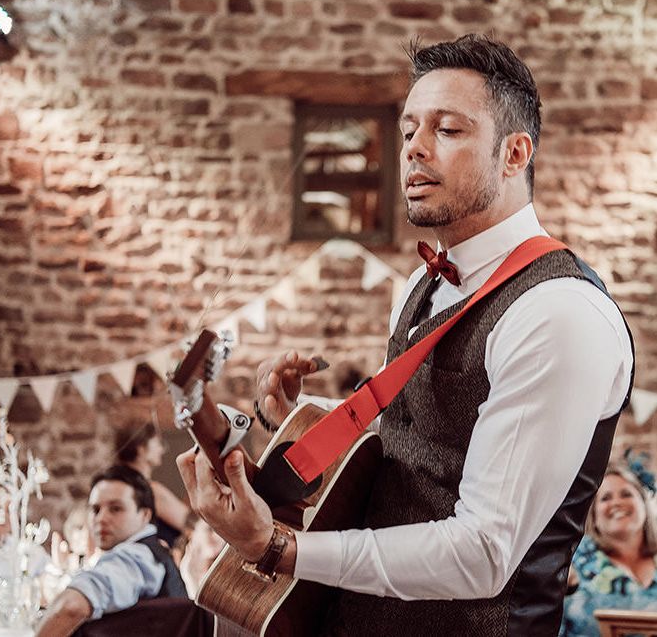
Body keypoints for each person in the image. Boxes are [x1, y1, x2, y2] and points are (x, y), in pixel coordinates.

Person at [177, 33, 635, 636]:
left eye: (448, 130)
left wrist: (280, 549)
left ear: (515, 154)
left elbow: (484, 555)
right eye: (410, 129)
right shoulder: (424, 280)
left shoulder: (558, 314)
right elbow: (422, 455)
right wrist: (301, 428)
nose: (416, 149)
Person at [35, 465, 186, 637]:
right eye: (95, 510)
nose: (101, 519)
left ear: (145, 515)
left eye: (115, 508)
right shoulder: (150, 551)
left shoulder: (138, 557)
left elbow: (71, 607)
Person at [560, 464, 657, 636]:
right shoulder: (571, 560)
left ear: (644, 503)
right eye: (605, 498)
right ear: (594, 516)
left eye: (626, 494)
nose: (617, 503)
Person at [115, 421, 190, 546]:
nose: (162, 449)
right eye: (157, 443)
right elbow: (193, 524)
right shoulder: (152, 491)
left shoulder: (116, 486)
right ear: (141, 449)